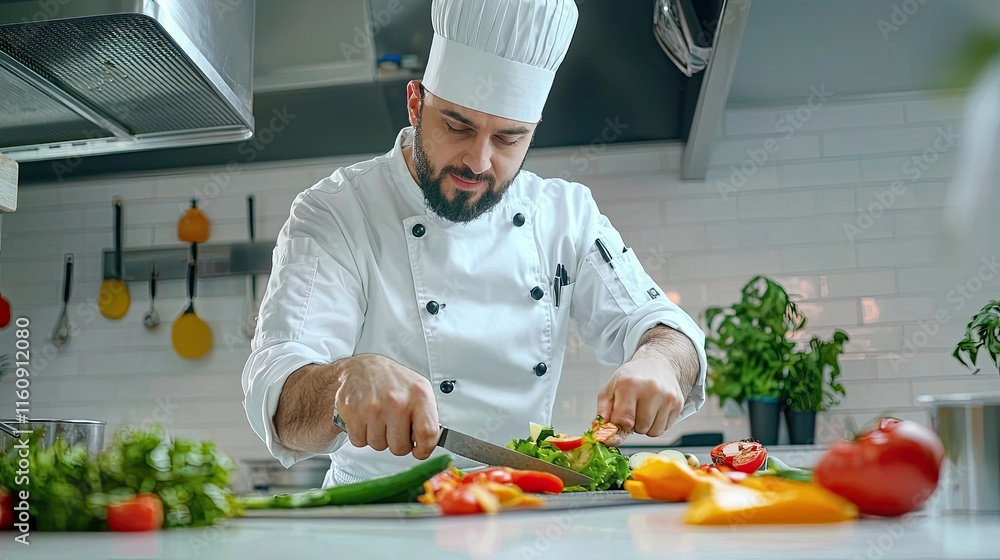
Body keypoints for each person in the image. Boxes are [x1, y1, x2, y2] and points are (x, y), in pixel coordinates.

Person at [242, 0, 708, 487]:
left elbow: (664, 327)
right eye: (458, 127)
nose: (478, 162)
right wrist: (344, 382)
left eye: (508, 139)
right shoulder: (338, 212)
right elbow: (280, 399)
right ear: (416, 103)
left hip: (521, 507)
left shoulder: (565, 214)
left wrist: (660, 361)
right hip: (377, 520)